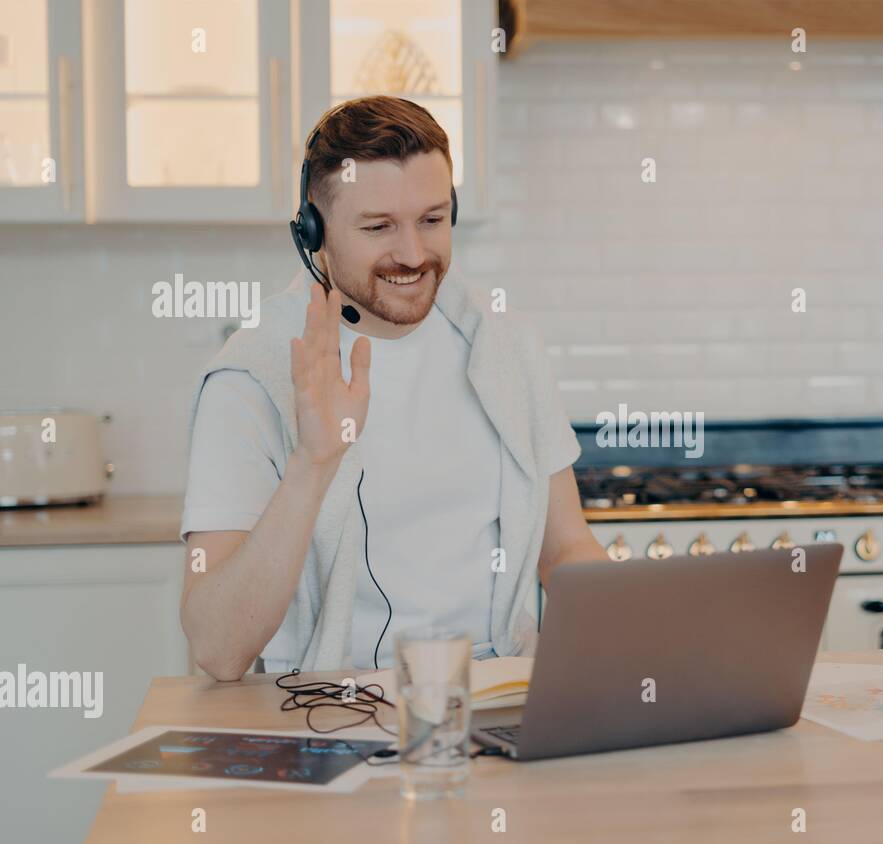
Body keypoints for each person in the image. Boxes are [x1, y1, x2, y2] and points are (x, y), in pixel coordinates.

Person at [180, 96, 606, 680]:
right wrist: (313, 460)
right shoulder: (249, 380)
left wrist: (641, 637)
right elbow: (217, 648)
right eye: (379, 227)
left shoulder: (505, 344)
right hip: (323, 711)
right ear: (314, 231)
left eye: (431, 220)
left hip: (496, 701)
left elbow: (566, 549)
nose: (412, 255)